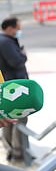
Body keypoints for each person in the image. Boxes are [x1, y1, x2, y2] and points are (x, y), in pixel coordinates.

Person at [0, 17, 29, 162]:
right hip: (15, 90)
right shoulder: (5, 42)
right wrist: (23, 55)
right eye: (17, 28)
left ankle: (12, 150)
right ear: (10, 28)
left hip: (10, 88)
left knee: (8, 121)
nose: (19, 31)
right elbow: (16, 61)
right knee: (18, 120)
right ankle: (18, 153)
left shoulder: (4, 40)